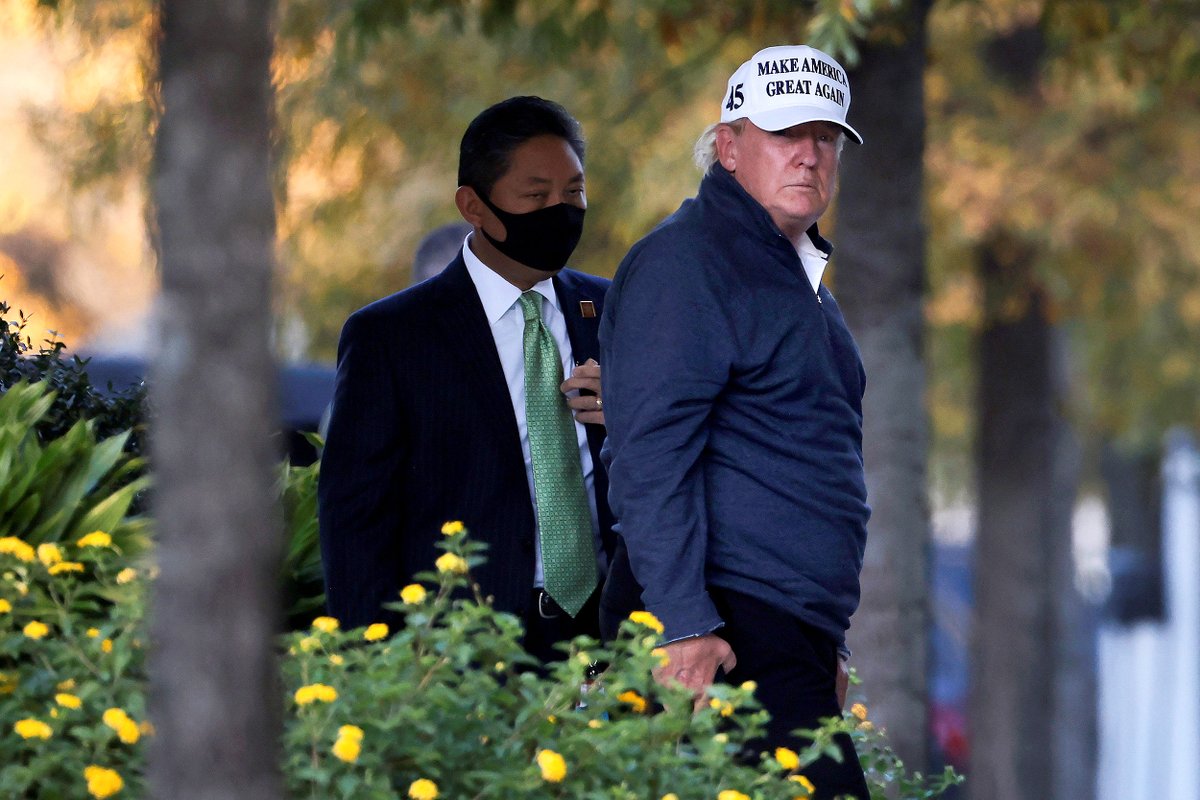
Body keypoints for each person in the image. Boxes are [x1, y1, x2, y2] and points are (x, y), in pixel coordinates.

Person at [599, 45, 871, 798]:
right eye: (787, 135)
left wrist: (827, 638)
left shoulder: (793, 272)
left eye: (826, 138)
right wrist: (684, 624)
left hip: (780, 626)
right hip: (717, 623)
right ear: (727, 147)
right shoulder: (688, 263)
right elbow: (650, 457)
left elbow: (813, 456)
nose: (810, 156)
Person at [319, 96, 615, 663]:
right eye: (535, 196)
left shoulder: (613, 310)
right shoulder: (392, 337)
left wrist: (628, 414)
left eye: (574, 193)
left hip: (611, 634)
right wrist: (374, 667)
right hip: (461, 651)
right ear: (473, 206)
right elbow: (355, 523)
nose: (561, 210)